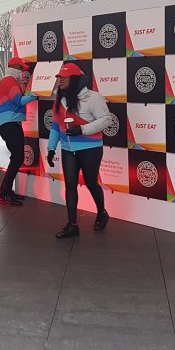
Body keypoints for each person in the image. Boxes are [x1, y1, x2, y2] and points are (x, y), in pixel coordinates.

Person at [46, 63, 112, 238]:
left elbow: (107, 119)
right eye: (58, 78)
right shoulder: (59, 99)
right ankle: (72, 225)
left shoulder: (93, 97)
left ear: (74, 79)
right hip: (68, 149)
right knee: (70, 186)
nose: (59, 81)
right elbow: (55, 125)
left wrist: (82, 130)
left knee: (91, 183)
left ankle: (102, 213)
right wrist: (51, 148)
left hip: (90, 148)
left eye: (63, 78)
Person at [0, 57, 37, 206]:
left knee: (16, 157)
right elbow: (19, 100)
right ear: (15, 67)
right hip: (9, 124)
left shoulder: (10, 80)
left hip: (11, 123)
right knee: (18, 157)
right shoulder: (9, 80)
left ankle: (6, 191)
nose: (22, 72)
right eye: (21, 69)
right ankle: (4, 192)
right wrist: (35, 95)